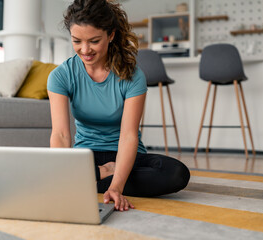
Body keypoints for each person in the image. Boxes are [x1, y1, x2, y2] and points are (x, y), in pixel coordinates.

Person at [47, 0, 190, 212]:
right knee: (47, 166)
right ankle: (96, 175)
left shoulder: (132, 76)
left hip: (126, 157)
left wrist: (117, 185)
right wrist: (85, 169)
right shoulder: (60, 76)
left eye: (94, 41)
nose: (85, 50)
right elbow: (60, 135)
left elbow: (129, 135)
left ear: (111, 35)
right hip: (87, 157)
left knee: (177, 173)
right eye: (77, 41)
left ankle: (90, 181)